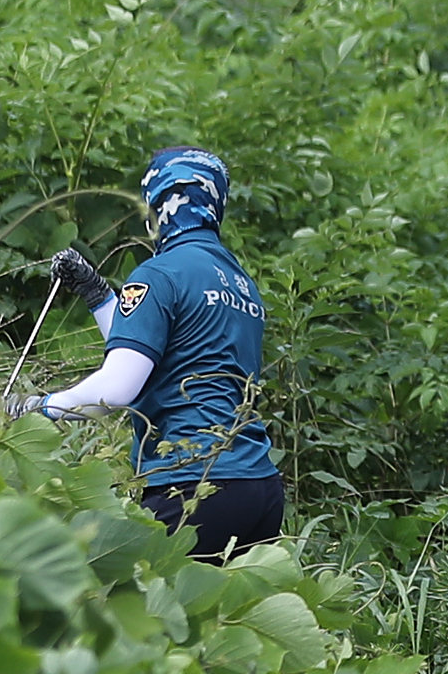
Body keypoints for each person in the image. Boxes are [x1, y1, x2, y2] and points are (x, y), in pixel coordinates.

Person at [32, 148, 282, 560]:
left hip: (192, 482)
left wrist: (41, 408)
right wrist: (98, 296)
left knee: (116, 600)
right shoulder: (241, 284)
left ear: (158, 205)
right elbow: (159, 355)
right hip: (258, 485)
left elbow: (118, 387)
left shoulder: (160, 273)